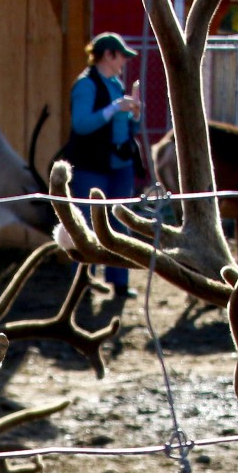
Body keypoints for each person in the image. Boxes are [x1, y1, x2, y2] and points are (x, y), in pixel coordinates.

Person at [63, 30, 144, 295]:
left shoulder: (117, 85)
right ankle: (83, 284)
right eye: (121, 56)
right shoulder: (86, 85)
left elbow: (130, 128)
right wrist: (112, 109)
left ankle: (119, 281)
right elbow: (81, 124)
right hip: (91, 166)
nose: (124, 61)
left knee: (119, 222)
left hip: (120, 165)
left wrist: (135, 114)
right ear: (107, 55)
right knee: (86, 225)